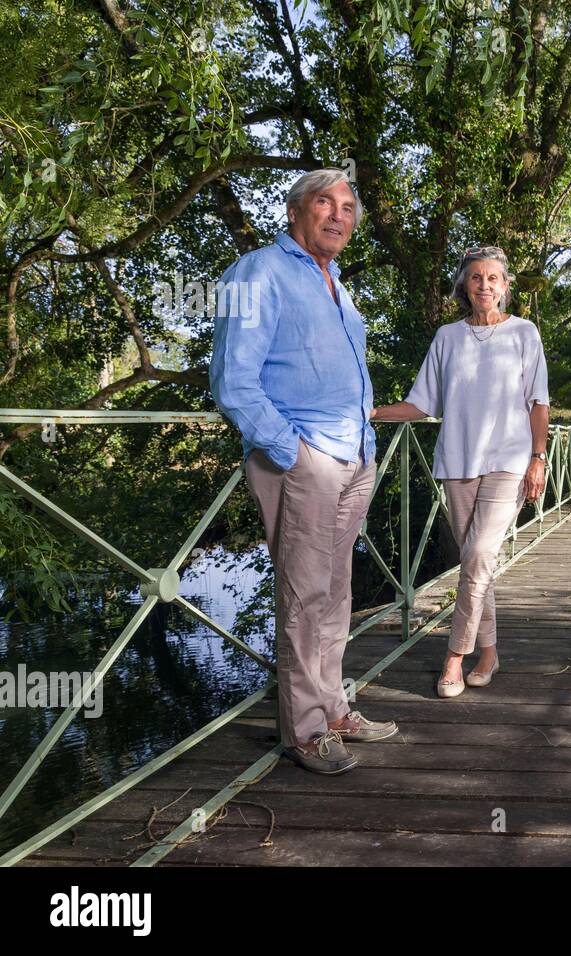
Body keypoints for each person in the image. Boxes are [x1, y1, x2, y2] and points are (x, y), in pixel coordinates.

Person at [209, 168, 398, 775]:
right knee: (304, 594)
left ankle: (334, 707)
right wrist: (291, 450)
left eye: (348, 207)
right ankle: (305, 731)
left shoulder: (337, 283)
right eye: (325, 203)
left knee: (337, 592)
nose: (338, 215)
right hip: (305, 458)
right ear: (296, 211)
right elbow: (232, 380)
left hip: (353, 455)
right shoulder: (257, 271)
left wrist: (361, 445)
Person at [371, 245, 550, 697]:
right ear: (464, 287)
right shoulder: (447, 338)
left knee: (477, 555)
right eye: (476, 278)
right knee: (476, 560)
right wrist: (369, 411)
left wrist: (538, 456)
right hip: (457, 462)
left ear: (505, 286)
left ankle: (454, 657)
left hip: (509, 462)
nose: (485, 285)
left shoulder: (525, 333)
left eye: (493, 278)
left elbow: (539, 401)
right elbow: (421, 404)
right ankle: (488, 651)